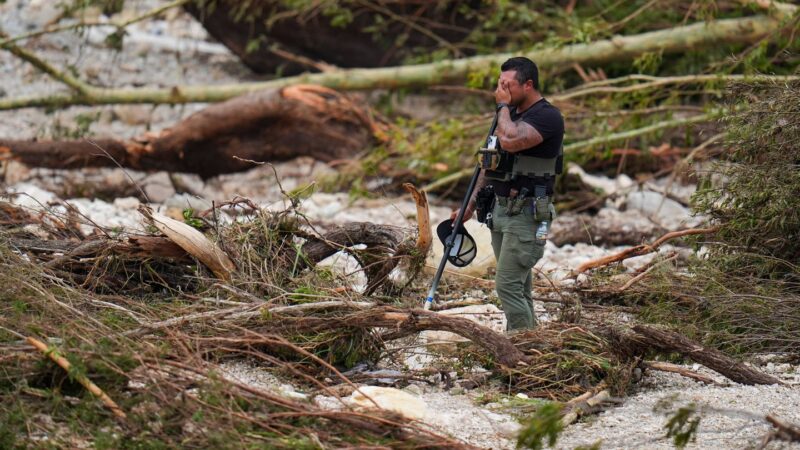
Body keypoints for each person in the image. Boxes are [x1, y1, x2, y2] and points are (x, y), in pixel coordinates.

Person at [451, 56, 564, 331]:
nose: (500, 90)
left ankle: (519, 345)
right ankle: (531, 343)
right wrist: (470, 204)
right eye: (499, 84)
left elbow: (511, 141)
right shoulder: (508, 115)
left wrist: (502, 107)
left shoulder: (547, 116)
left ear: (528, 85)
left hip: (528, 214)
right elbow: (488, 164)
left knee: (507, 285)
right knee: (519, 287)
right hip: (501, 210)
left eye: (507, 85)